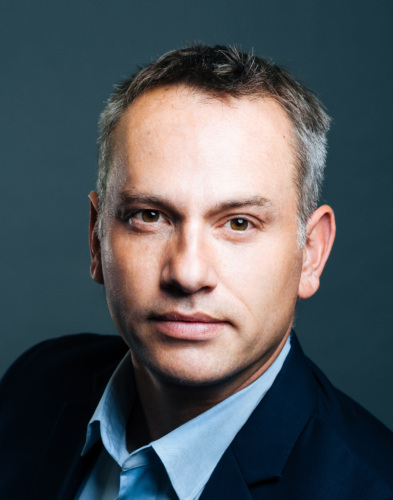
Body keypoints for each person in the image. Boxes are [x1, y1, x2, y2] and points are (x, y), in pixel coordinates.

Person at [1, 44, 392, 500]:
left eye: (239, 223)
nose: (187, 274)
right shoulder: (33, 385)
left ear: (311, 253)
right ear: (96, 238)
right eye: (150, 216)